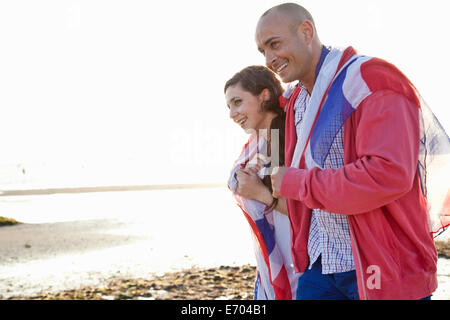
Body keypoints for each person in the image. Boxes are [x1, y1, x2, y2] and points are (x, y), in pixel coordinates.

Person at [253, 3, 450, 300]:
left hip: (381, 266)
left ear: (307, 32)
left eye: (274, 44)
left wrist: (295, 182)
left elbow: (387, 174)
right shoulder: (296, 101)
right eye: (262, 51)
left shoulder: (370, 79)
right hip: (320, 267)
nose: (269, 58)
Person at [225, 65, 301, 299]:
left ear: (264, 95)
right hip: (275, 259)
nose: (231, 113)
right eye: (229, 106)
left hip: (298, 263)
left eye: (237, 102)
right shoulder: (263, 144)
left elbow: (306, 210)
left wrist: (259, 193)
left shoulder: (290, 138)